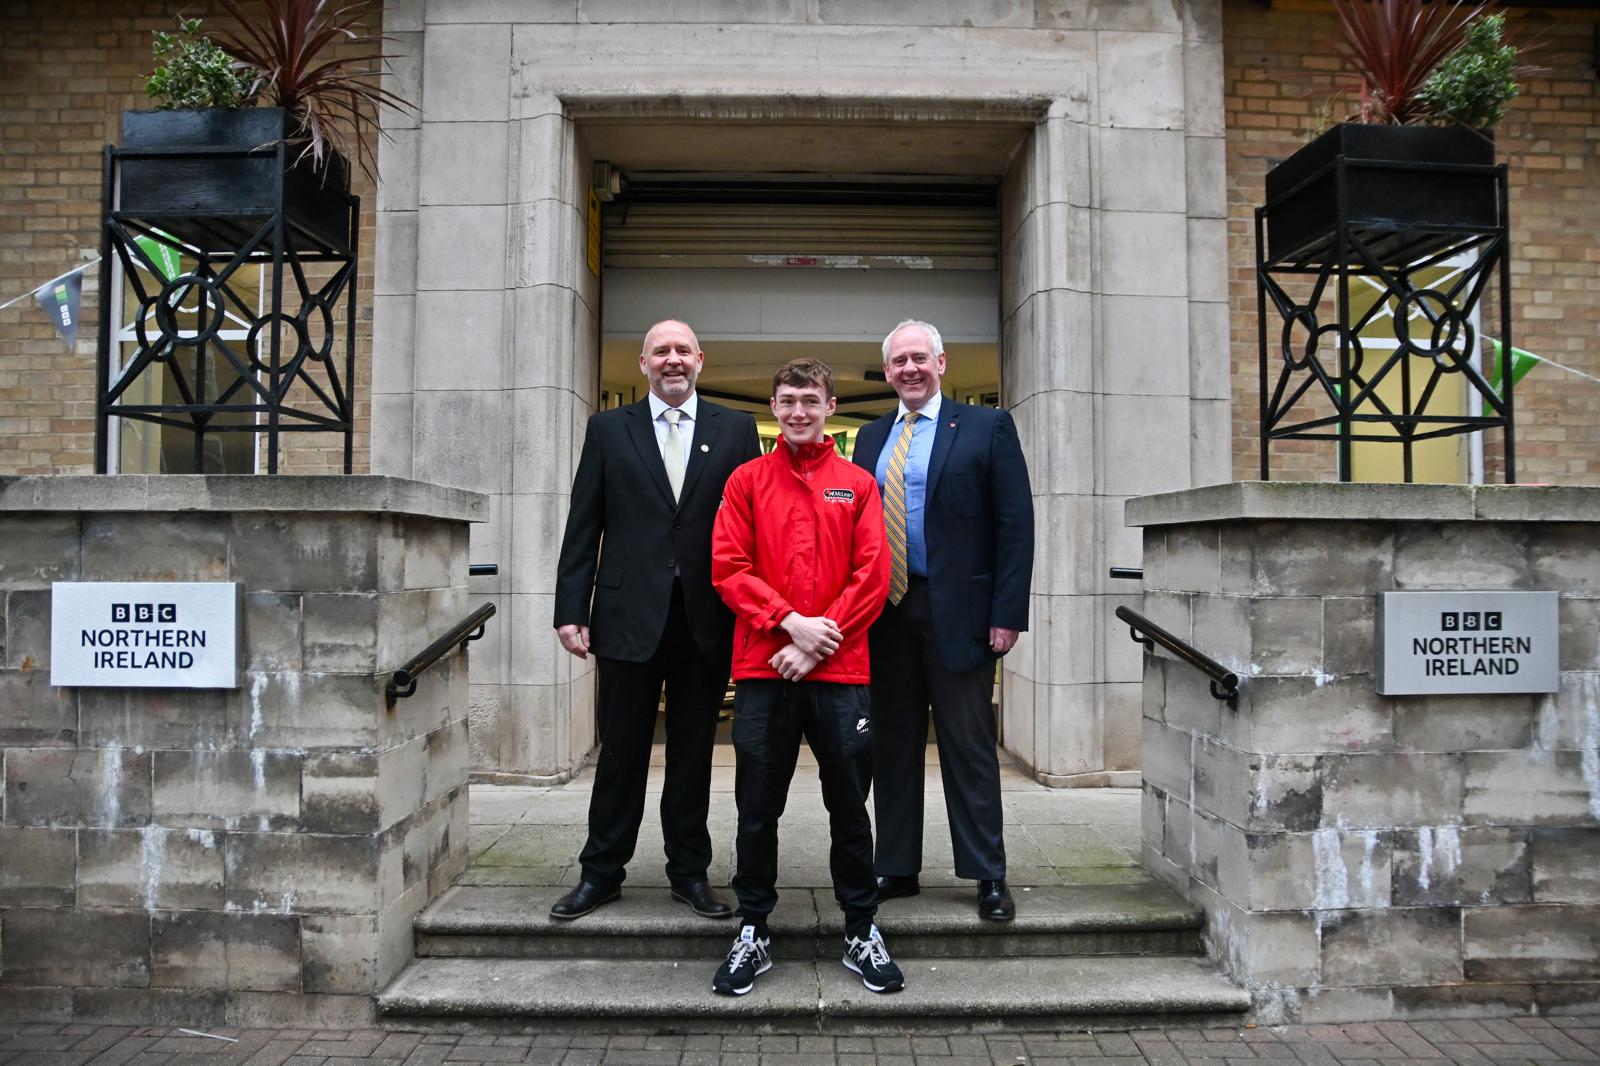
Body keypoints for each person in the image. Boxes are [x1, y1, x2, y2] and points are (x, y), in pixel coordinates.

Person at [550, 319, 761, 921]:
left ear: (701, 359)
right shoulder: (608, 430)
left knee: (693, 754)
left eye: (683, 351)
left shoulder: (737, 430)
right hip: (624, 618)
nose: (673, 360)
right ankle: (601, 873)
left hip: (706, 619)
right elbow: (583, 524)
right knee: (620, 752)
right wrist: (571, 608)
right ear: (642, 363)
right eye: (660, 351)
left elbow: (752, 527)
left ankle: (689, 873)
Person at [707, 358, 901, 996]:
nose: (798, 411)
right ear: (773, 405)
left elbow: (872, 577)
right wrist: (790, 624)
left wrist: (817, 643)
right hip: (765, 668)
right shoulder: (744, 481)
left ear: (829, 406)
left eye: (810, 400)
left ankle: (861, 928)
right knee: (757, 809)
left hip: (841, 673)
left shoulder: (858, 484)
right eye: (787, 400)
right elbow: (729, 567)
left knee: (849, 806)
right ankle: (754, 929)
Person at [852, 319, 1035, 921]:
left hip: (961, 612)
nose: (909, 369)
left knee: (968, 745)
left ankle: (987, 874)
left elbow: (1014, 525)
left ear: (941, 363)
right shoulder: (871, 438)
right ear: (886, 372)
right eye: (898, 360)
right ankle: (896, 866)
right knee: (892, 745)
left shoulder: (986, 426)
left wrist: (1007, 613)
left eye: (919, 358)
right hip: (887, 612)